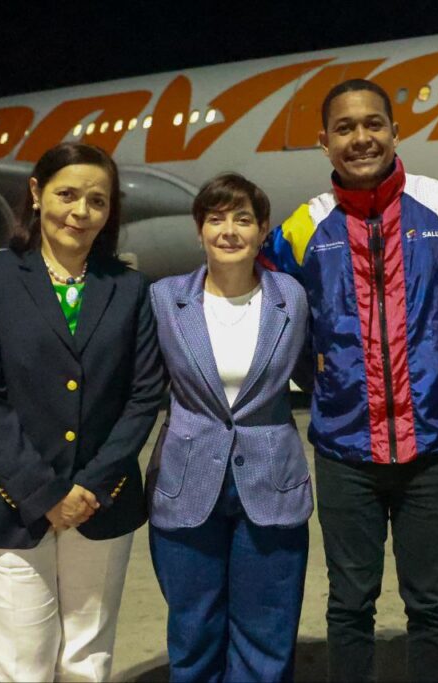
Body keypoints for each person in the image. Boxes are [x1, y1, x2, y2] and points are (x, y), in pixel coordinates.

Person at [260, 78, 438, 682]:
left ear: (396, 131)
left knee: (433, 605)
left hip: (432, 450)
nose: (361, 138)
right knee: (349, 604)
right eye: (344, 128)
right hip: (345, 452)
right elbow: (262, 301)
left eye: (373, 124)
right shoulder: (303, 227)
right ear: (324, 142)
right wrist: (316, 378)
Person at [0, 142, 165, 682]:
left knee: (87, 663)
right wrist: (44, 493)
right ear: (36, 193)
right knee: (21, 666)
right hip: (9, 502)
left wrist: (91, 485)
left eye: (97, 200)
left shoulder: (130, 288)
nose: (80, 212)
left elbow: (144, 396)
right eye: (67, 194)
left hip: (101, 502)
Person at [147, 173, 314, 683]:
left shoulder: (291, 298)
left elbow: (317, 373)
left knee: (267, 636)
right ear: (199, 229)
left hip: (271, 483)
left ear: (263, 231)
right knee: (193, 633)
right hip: (186, 483)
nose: (229, 231)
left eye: (243, 219)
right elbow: (139, 385)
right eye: (216, 219)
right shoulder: (165, 298)